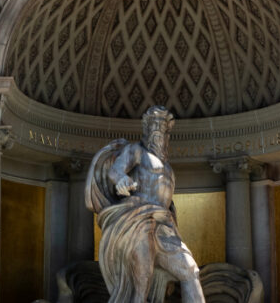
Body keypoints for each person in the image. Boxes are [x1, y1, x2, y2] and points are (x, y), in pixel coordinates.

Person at [86, 106, 205, 303]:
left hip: (164, 226)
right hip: (139, 221)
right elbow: (115, 170)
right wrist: (121, 179)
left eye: (162, 128)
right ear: (147, 130)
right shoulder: (136, 151)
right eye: (154, 127)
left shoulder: (167, 166)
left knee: (190, 270)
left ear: (167, 134)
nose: (158, 132)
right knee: (142, 282)